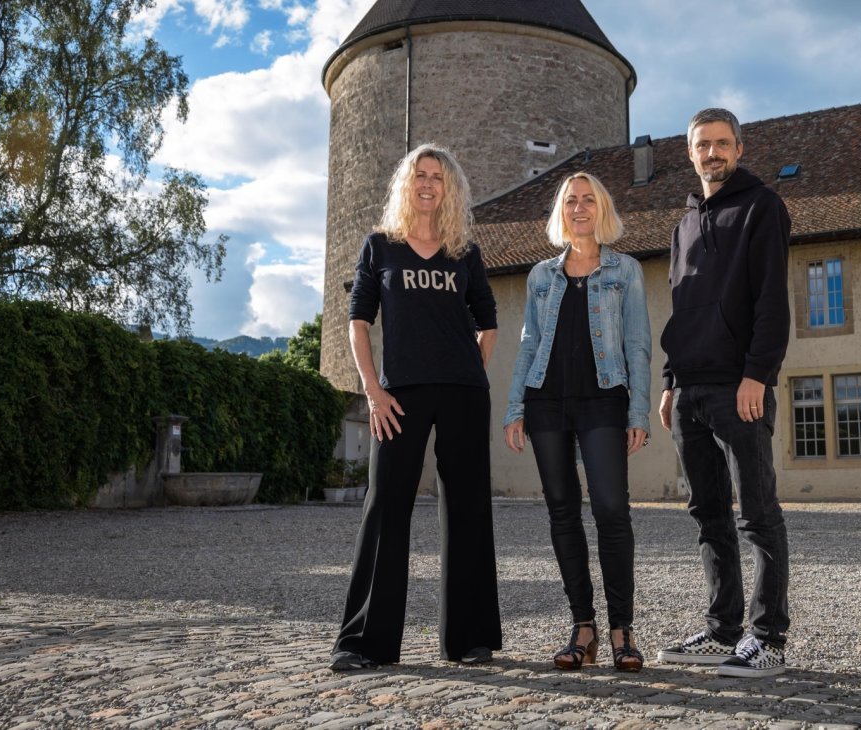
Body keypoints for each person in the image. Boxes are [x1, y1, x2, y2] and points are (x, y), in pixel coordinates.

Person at [330, 143, 502, 670]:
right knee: (385, 506)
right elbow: (359, 323)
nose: (428, 184)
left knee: (469, 507)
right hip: (398, 395)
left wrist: (468, 372)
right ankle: (363, 643)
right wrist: (373, 391)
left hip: (463, 394)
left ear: (449, 189)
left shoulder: (463, 252)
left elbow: (488, 321)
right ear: (406, 184)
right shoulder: (380, 247)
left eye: (438, 177)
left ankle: (469, 639)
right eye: (420, 175)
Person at [656, 108, 792, 678]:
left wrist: (757, 375)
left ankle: (769, 638)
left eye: (720, 144)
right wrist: (669, 382)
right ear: (689, 154)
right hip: (688, 388)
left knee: (756, 514)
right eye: (701, 145)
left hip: (740, 386)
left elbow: (770, 301)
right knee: (707, 513)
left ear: (738, 147)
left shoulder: (762, 207)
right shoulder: (683, 224)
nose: (711, 153)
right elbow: (680, 308)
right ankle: (722, 629)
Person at [504, 172, 651, 672]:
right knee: (562, 511)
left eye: (589, 200)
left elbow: (637, 344)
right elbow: (528, 344)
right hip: (546, 402)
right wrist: (515, 408)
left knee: (611, 510)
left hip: (604, 400)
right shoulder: (540, 276)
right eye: (572, 201)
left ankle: (622, 630)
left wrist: (638, 411)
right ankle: (583, 627)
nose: (581, 207)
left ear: (602, 209)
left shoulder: (625, 270)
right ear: (561, 212)